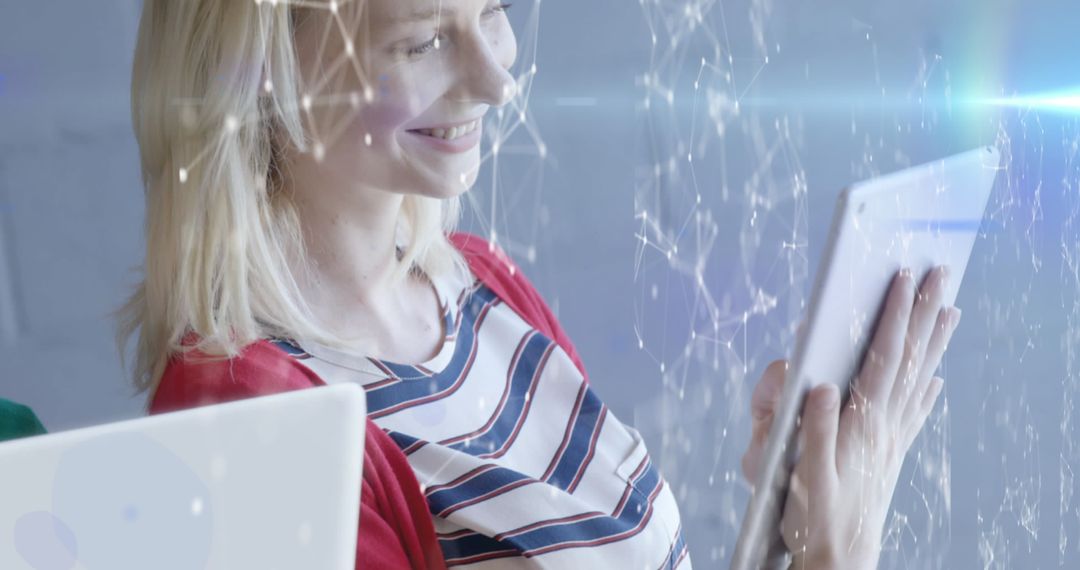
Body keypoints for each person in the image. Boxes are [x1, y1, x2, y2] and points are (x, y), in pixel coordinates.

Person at [118, 0, 961, 568]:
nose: (496, 77)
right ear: (266, 73)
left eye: (491, 8)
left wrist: (789, 528)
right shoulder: (248, 419)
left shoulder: (478, 285)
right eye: (423, 40)